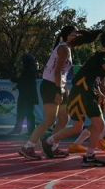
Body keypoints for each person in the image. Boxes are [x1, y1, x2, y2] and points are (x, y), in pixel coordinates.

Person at [45, 30, 105, 166]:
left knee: (78, 127)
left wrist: (104, 92)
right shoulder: (102, 55)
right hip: (83, 91)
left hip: (84, 91)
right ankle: (89, 155)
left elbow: (101, 78)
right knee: (99, 124)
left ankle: (49, 141)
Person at [19, 25, 86, 159]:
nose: (76, 36)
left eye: (77, 34)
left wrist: (63, 87)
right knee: (49, 120)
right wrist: (58, 90)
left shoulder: (67, 48)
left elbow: (61, 73)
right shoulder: (64, 48)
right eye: (73, 34)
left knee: (64, 118)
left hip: (58, 85)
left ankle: (52, 145)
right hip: (51, 86)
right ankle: (28, 147)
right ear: (66, 36)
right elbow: (57, 71)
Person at [13, 52, 40, 136]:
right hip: (29, 95)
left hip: (25, 95)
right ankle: (30, 130)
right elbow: (24, 81)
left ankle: (19, 129)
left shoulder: (28, 70)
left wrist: (15, 80)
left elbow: (22, 80)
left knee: (23, 112)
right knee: (29, 113)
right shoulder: (32, 69)